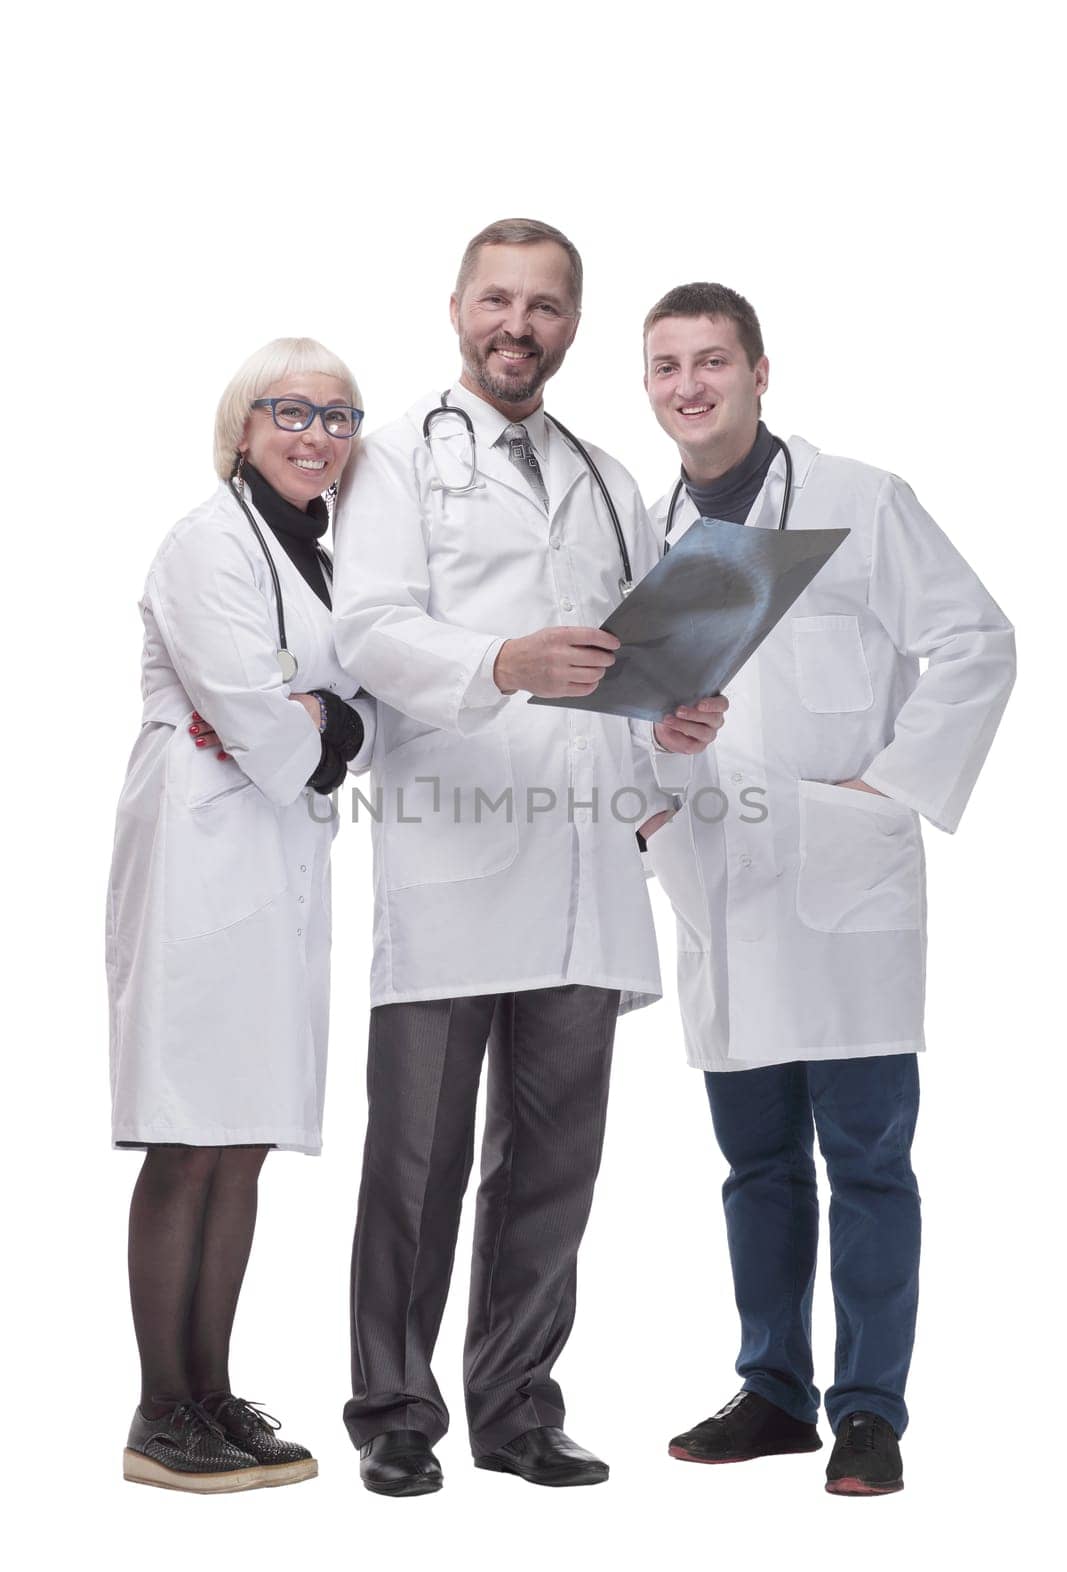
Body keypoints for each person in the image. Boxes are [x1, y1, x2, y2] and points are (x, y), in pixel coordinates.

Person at [332, 219, 725, 1497]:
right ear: (456, 308)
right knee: (419, 1159)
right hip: (453, 851)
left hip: (583, 866)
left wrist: (672, 708)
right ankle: (396, 1409)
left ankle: (515, 1405)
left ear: (572, 325)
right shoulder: (393, 460)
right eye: (498, 300)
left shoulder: (612, 479)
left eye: (546, 306)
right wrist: (499, 662)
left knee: (553, 1163)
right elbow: (371, 633)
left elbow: (636, 655)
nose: (520, 324)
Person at [640, 283, 1016, 1496]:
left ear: (758, 371)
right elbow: (636, 710)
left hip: (841, 877)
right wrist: (655, 781)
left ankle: (867, 1410)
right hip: (722, 886)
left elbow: (974, 639)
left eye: (710, 361)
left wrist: (890, 784)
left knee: (864, 1160)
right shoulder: (649, 538)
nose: (688, 385)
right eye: (665, 368)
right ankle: (770, 1390)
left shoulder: (859, 500)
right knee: (752, 1165)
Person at [107, 337, 374, 1493]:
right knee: (189, 1131)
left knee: (244, 1137)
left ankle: (211, 1394)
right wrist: (313, 721)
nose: (316, 433)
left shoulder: (329, 559)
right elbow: (261, 726)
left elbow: (367, 704)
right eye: (291, 410)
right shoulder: (205, 542)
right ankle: (159, 1410)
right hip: (201, 857)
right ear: (242, 424)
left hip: (273, 862)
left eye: (338, 416)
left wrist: (326, 715)